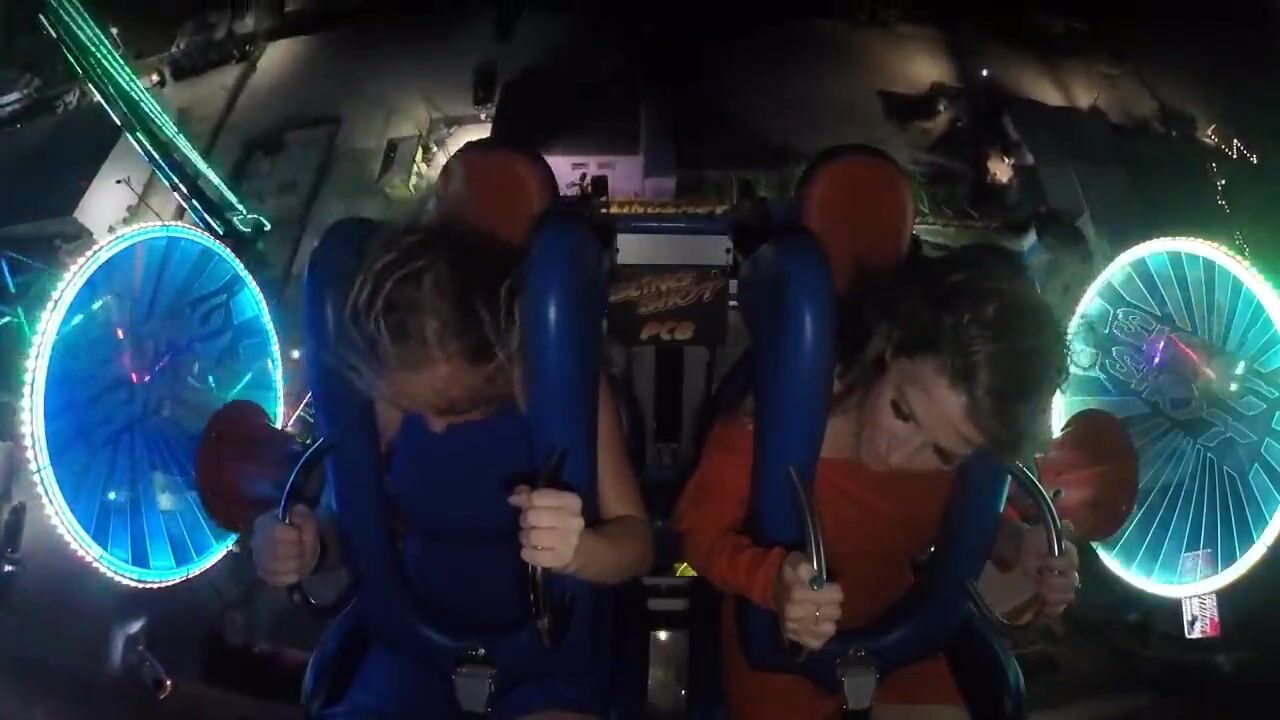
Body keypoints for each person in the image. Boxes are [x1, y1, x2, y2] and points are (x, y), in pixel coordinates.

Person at [250, 218, 653, 719]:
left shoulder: (559, 385)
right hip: (415, 645)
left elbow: (637, 545)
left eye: (460, 409)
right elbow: (356, 526)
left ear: (502, 358)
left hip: (550, 656)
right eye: (414, 409)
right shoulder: (391, 393)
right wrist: (309, 546)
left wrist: (583, 551)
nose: (435, 427)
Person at [674, 242, 1078, 720]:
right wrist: (772, 581)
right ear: (892, 349)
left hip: (900, 639)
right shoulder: (772, 422)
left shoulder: (969, 467)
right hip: (780, 641)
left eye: (942, 453)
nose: (897, 455)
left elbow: (965, 529)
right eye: (902, 412)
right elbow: (695, 537)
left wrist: (1021, 549)